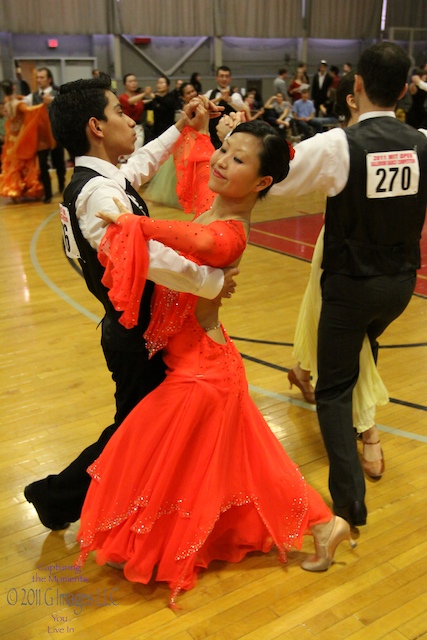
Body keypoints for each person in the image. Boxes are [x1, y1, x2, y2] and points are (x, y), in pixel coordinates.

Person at [75, 107, 356, 607]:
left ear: (263, 181)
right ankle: (325, 523)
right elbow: (202, 165)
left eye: (238, 160)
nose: (223, 162)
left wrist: (132, 222)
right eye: (225, 153)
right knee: (254, 462)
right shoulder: (218, 201)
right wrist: (203, 130)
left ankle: (152, 542)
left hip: (201, 372)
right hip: (206, 360)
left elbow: (196, 239)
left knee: (146, 448)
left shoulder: (230, 232)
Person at [24, 76, 234, 531]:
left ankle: (92, 501)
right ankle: (58, 498)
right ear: (97, 126)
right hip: (133, 334)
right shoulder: (99, 195)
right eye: (119, 111)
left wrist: (181, 127)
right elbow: (149, 259)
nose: (129, 117)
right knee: (132, 433)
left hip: (133, 327)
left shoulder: (99, 181)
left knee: (142, 427)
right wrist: (209, 279)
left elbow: (138, 165)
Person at [272, 42, 427, 527]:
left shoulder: (339, 145)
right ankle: (369, 435)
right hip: (401, 286)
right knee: (366, 345)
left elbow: (276, 181)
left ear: (356, 85)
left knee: (334, 390)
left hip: (349, 284)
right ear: (405, 89)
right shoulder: (422, 140)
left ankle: (349, 503)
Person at [287, 72, 389, 481]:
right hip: (343, 253)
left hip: (383, 260)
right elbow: (287, 172)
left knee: (334, 323)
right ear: (352, 98)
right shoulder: (335, 145)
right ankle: (368, 429)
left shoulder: (405, 139)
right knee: (358, 339)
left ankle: (301, 371)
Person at [0, 79, 54, 202]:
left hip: (11, 137)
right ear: (14, 87)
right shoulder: (18, 104)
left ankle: (14, 191)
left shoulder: (7, 102)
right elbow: (30, 110)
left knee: (14, 164)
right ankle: (26, 189)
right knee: (26, 162)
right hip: (21, 137)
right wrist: (43, 105)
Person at [24, 67, 66, 202]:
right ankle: (47, 193)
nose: (39, 80)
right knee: (42, 164)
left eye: (42, 77)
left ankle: (61, 184)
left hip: (55, 133)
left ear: (49, 79)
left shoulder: (57, 94)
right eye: (37, 77)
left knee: (59, 162)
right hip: (40, 137)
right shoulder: (33, 96)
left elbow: (65, 106)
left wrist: (52, 101)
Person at [204, 66, 245, 148]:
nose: (224, 79)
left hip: (229, 133)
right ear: (216, 78)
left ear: (230, 79)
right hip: (211, 133)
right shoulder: (210, 93)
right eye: (221, 76)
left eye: (227, 76)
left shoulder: (235, 95)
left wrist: (229, 99)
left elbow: (240, 107)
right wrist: (219, 98)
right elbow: (204, 104)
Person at [119, 73, 146, 151]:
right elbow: (129, 101)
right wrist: (144, 93)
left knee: (137, 150)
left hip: (138, 127)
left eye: (135, 81)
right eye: (130, 81)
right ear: (125, 84)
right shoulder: (123, 97)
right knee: (126, 153)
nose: (133, 83)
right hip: (126, 127)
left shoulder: (139, 97)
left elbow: (143, 102)